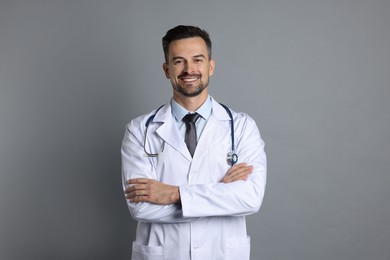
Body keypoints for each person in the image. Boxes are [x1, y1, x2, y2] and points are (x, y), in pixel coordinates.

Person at [121, 25, 267, 260]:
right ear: (166, 69)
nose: (189, 69)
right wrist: (222, 193)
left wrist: (173, 194)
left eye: (197, 60)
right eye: (179, 61)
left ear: (211, 66)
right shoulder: (139, 130)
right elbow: (141, 206)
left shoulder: (241, 126)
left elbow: (249, 198)